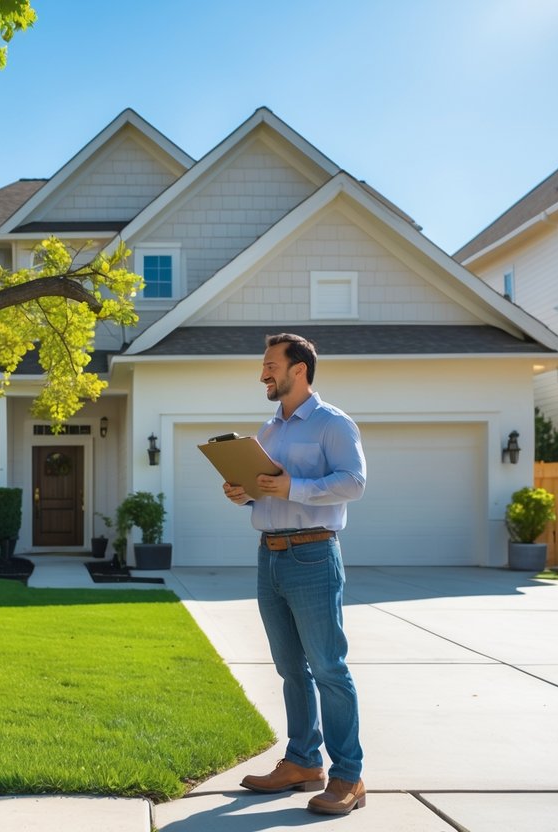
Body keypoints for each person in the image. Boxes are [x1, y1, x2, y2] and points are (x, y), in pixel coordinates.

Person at [222, 332, 368, 815]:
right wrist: (243, 492)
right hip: (270, 556)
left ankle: (349, 775)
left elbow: (353, 482)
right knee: (290, 669)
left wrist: (293, 488)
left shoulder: (333, 423)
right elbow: (264, 490)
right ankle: (303, 761)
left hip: (313, 555)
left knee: (329, 667)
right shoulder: (268, 431)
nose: (263, 373)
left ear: (298, 369)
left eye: (270, 364)